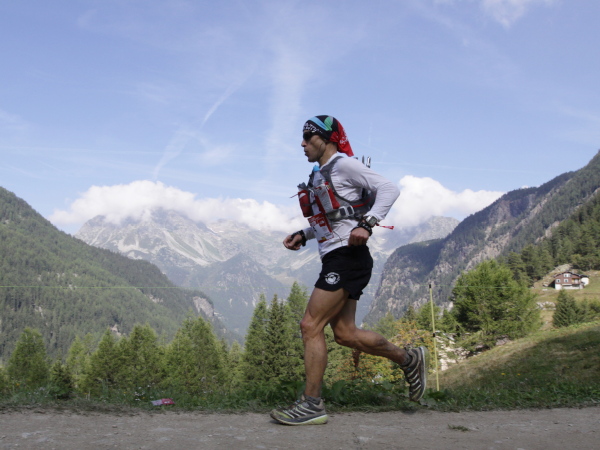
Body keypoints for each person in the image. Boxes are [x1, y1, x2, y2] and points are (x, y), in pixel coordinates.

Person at [270, 115, 427, 426]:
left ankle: (311, 404)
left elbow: (389, 189)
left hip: (347, 257)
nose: (302, 144)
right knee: (345, 334)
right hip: (339, 257)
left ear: (327, 139)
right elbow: (336, 217)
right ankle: (409, 358)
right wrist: (304, 234)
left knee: (310, 325)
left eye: (308, 137)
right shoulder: (320, 174)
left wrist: (367, 224)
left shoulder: (343, 165)